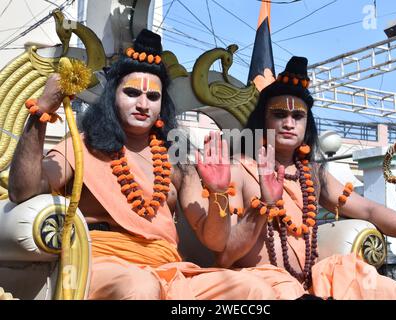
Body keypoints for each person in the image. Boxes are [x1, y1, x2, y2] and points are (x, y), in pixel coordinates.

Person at [7, 29, 278, 300]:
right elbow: (24, 191)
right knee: (140, 286)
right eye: (132, 92)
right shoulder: (82, 147)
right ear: (112, 98)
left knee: (254, 290)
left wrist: (219, 192)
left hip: (166, 270)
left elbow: (216, 241)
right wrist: (41, 112)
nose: (142, 104)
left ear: (162, 105)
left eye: (152, 97)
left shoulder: (176, 163)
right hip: (100, 265)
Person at [194, 56, 396, 300]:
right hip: (261, 285)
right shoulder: (239, 168)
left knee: (387, 290)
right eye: (279, 115)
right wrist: (264, 207)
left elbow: (368, 210)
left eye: (297, 116)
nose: (289, 123)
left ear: (306, 124)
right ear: (262, 120)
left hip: (310, 283)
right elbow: (224, 256)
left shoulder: (311, 172)